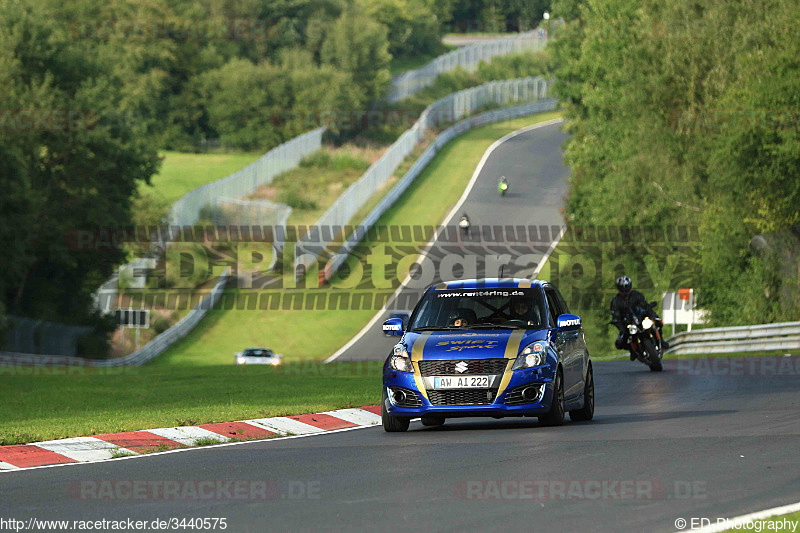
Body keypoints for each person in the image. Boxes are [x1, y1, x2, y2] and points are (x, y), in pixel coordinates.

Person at [610, 276, 661, 360]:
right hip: (627, 323)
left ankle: (661, 341)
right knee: (619, 343)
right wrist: (616, 321)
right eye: (622, 288)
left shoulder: (637, 295)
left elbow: (644, 305)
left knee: (657, 321)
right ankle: (633, 351)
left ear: (630, 287)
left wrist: (649, 312)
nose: (625, 291)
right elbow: (615, 314)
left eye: (626, 288)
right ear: (619, 289)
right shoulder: (616, 301)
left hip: (641, 319)